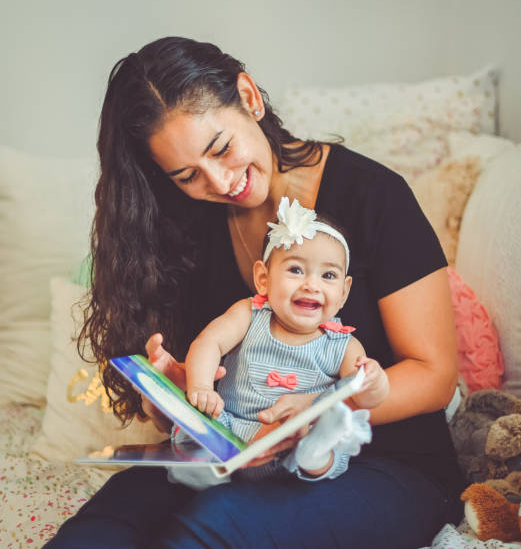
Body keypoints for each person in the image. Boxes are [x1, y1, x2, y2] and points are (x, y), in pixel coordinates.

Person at [45, 36, 464, 549]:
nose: (221, 182)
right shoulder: (187, 223)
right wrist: (178, 398)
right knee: (98, 531)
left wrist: (315, 413)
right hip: (240, 451)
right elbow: (213, 370)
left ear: (249, 97)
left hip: (386, 463)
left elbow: (435, 374)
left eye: (221, 149)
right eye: (187, 175)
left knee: (211, 527)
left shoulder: (373, 195)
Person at [180, 196, 388, 485]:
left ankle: (315, 453)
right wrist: (201, 387)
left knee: (334, 438)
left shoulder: (343, 345)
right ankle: (200, 466)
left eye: (328, 275)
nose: (311, 285)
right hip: (234, 433)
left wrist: (374, 383)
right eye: (295, 270)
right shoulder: (248, 315)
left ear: (343, 292)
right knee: (194, 424)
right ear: (263, 279)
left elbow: (360, 397)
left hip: (295, 447)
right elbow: (208, 343)